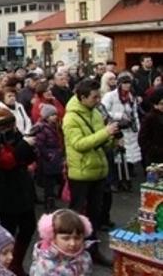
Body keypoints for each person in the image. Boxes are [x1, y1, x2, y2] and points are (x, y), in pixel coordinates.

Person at [62, 79, 117, 266]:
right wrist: (105, 133)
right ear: (82, 97)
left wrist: (113, 137)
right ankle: (71, 254)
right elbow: (79, 145)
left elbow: (100, 140)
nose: (98, 100)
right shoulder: (70, 118)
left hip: (98, 170)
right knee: (76, 218)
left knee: (94, 215)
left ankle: (93, 252)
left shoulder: (95, 112)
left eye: (99, 95)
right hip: (81, 173)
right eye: (94, 97)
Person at [0, 107, 37, 276]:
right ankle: (4, 266)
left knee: (28, 227)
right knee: (8, 232)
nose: (7, 129)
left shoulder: (16, 135)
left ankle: (16, 263)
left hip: (22, 186)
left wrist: (27, 145)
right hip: (5, 189)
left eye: (9, 124)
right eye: (3, 126)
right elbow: (5, 162)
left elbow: (29, 158)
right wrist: (23, 146)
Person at [101, 74, 141, 181]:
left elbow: (134, 113)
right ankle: (115, 179)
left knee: (129, 153)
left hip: (129, 128)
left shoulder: (131, 96)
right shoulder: (110, 96)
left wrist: (137, 127)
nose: (127, 85)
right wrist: (119, 115)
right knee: (116, 155)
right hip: (115, 127)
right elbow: (103, 111)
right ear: (120, 84)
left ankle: (126, 175)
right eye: (124, 83)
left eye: (129, 83)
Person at [30, 209, 93, 275]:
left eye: (77, 238)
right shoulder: (45, 265)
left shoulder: (85, 257)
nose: (73, 243)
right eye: (66, 238)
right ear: (53, 237)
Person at [34, 104, 64, 212]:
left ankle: (51, 202)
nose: (55, 117)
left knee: (52, 182)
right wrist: (48, 155)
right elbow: (39, 145)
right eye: (52, 115)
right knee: (49, 184)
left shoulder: (54, 126)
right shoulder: (42, 128)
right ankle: (49, 204)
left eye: (55, 114)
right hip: (48, 160)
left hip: (54, 157)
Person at [139, 88, 163, 166]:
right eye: (161, 103)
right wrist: (155, 151)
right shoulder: (150, 118)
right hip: (156, 158)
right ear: (155, 104)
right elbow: (143, 140)